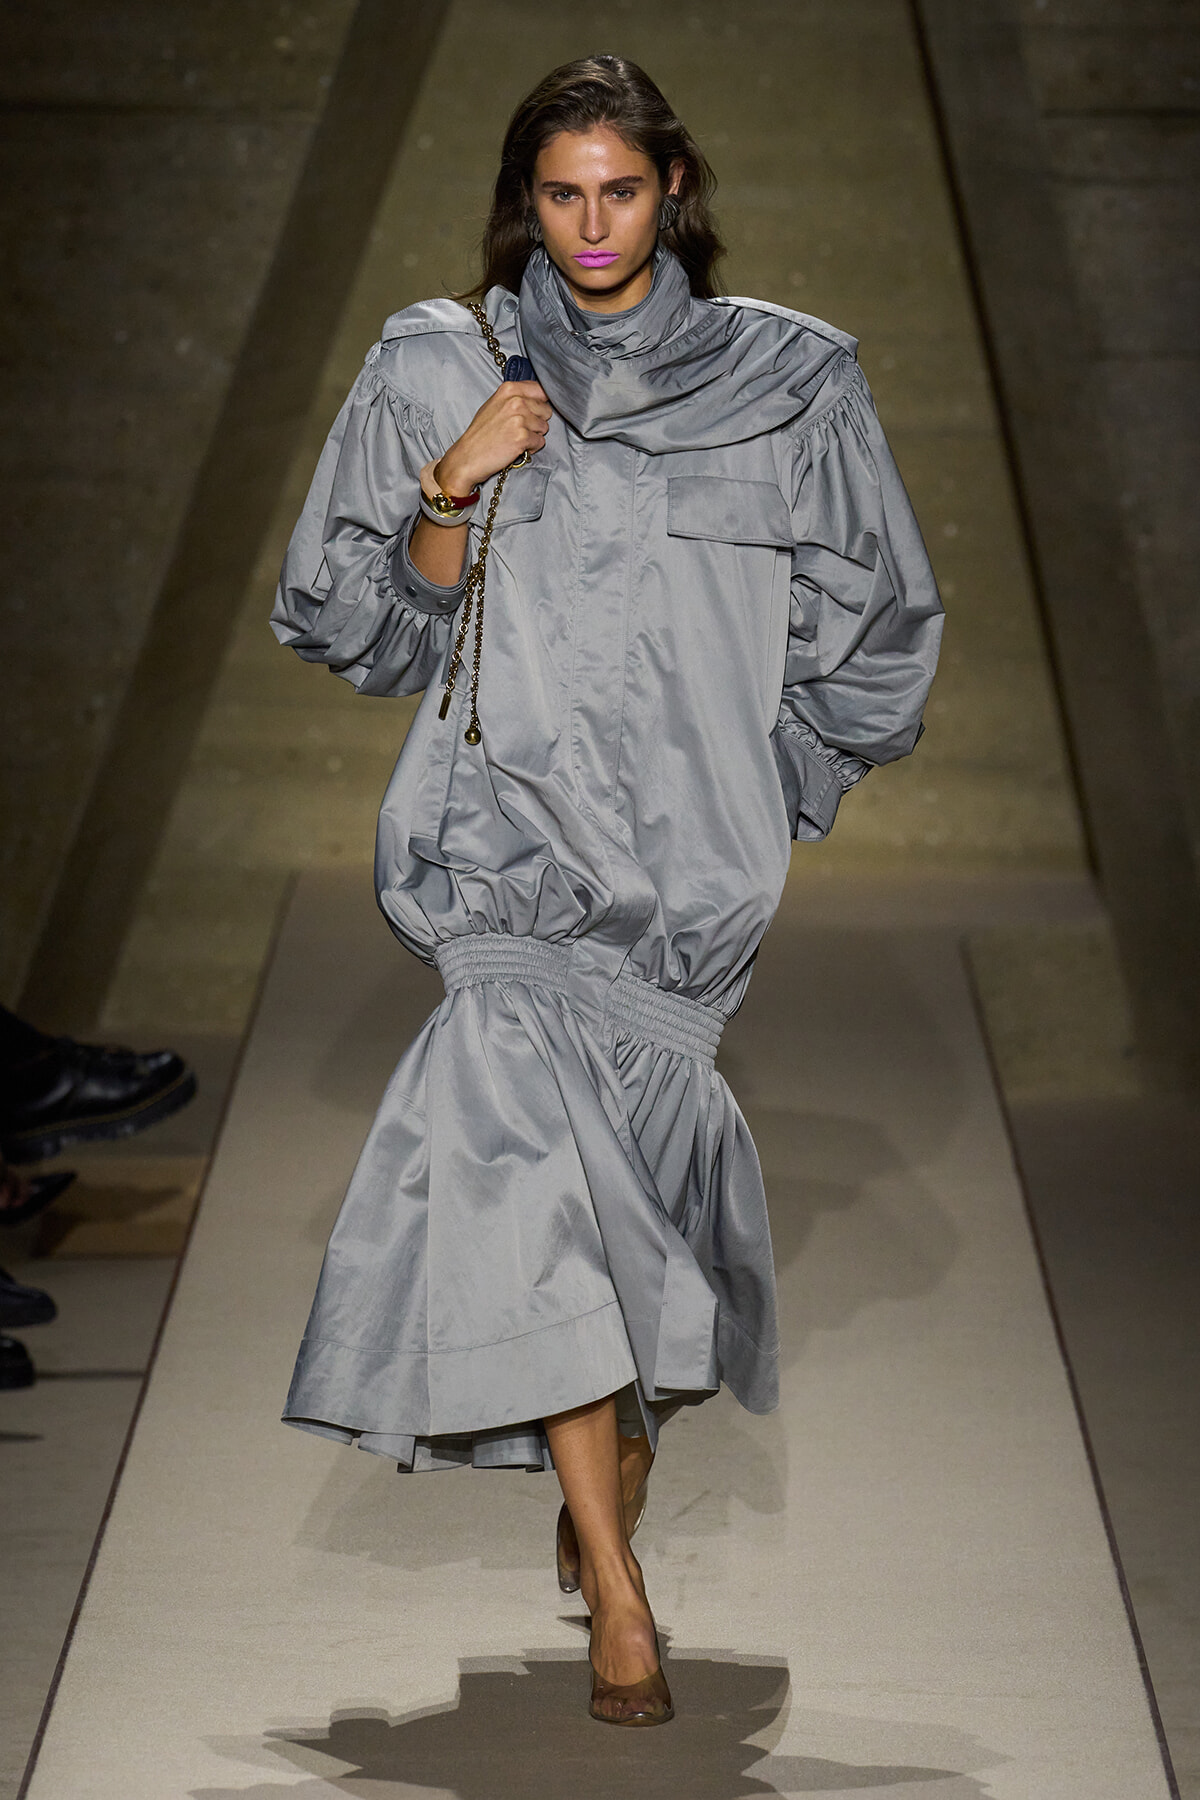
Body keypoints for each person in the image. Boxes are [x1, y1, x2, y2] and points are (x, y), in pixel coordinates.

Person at [272, 55, 942, 1726]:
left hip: (687, 902)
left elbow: (880, 633)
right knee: (511, 1161)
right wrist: (451, 485)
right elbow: (354, 623)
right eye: (562, 194)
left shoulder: (789, 383)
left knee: (622, 1225)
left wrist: (766, 787)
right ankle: (620, 1592)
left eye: (621, 191)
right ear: (527, 198)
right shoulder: (440, 362)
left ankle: (618, 1448)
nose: (590, 225)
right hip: (500, 865)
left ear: (675, 190)